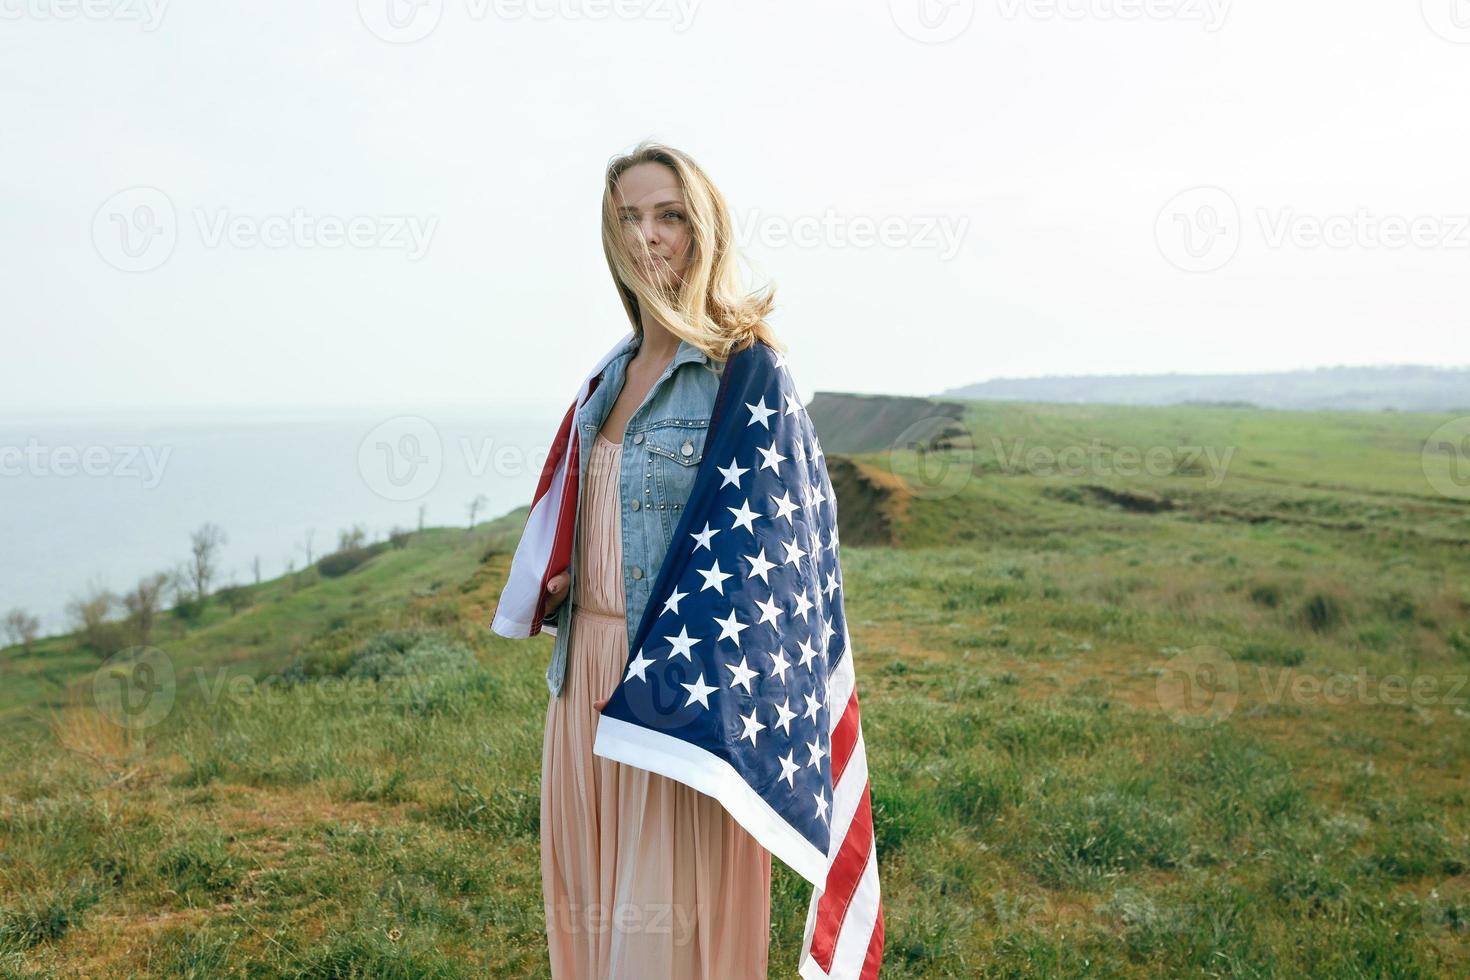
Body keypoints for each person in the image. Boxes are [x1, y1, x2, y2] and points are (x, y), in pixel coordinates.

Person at [536, 141, 787, 979]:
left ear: (702, 229)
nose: (647, 237)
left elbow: (768, 556)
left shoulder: (740, 371)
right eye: (628, 218)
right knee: (591, 921)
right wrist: (573, 573)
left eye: (668, 215)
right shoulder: (608, 375)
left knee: (661, 943)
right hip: (583, 682)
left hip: (670, 687)